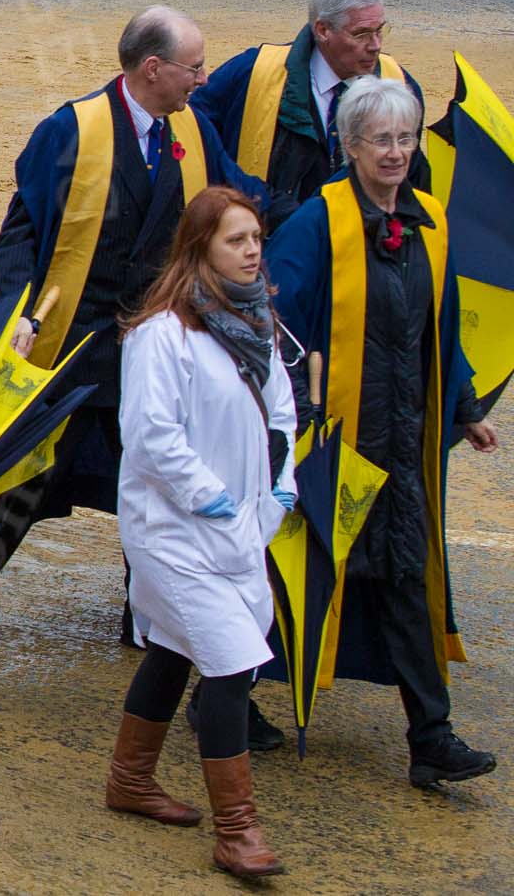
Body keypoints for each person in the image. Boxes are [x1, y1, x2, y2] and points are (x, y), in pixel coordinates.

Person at [0, 7, 259, 638]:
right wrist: (17, 314)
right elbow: (22, 230)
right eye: (194, 67)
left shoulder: (194, 132)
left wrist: (318, 206)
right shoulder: (70, 130)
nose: (204, 79)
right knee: (35, 473)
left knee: (155, 481)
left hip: (152, 342)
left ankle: (146, 615)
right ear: (152, 68)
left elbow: (238, 200)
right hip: (72, 338)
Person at [269, 76, 500, 788]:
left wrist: (465, 406)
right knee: (301, 570)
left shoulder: (429, 221)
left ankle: (431, 737)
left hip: (404, 439)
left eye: (405, 138)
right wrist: (293, 420)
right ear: (350, 145)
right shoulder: (317, 222)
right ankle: (218, 694)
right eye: (381, 140)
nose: (396, 152)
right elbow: (275, 322)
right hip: (337, 437)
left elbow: (443, 326)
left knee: (404, 572)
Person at [105, 187, 295, 878]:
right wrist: (212, 499)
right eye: (235, 240)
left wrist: (279, 490)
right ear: (200, 248)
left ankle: (130, 780)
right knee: (231, 664)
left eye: (256, 239)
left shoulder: (259, 324)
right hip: (173, 533)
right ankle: (238, 831)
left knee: (173, 651)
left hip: (240, 530)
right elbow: (150, 436)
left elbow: (281, 415)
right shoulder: (162, 335)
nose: (252, 252)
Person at [193, 0, 425, 234]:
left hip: (362, 245)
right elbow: (193, 132)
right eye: (360, 34)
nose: (375, 45)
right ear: (323, 30)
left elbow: (413, 183)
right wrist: (263, 202)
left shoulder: (400, 86)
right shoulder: (253, 73)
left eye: (379, 31)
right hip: (267, 242)